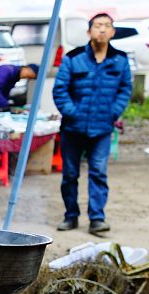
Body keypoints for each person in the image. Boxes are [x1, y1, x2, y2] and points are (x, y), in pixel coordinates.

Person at [52, 12, 133, 235]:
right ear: (89, 31)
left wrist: (113, 112)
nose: (102, 30)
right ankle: (71, 216)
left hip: (102, 129)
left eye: (107, 26)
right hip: (73, 128)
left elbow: (125, 89)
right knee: (70, 174)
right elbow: (60, 90)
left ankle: (97, 219)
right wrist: (73, 113)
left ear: (113, 32)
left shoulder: (120, 59)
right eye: (98, 25)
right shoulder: (73, 58)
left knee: (98, 172)